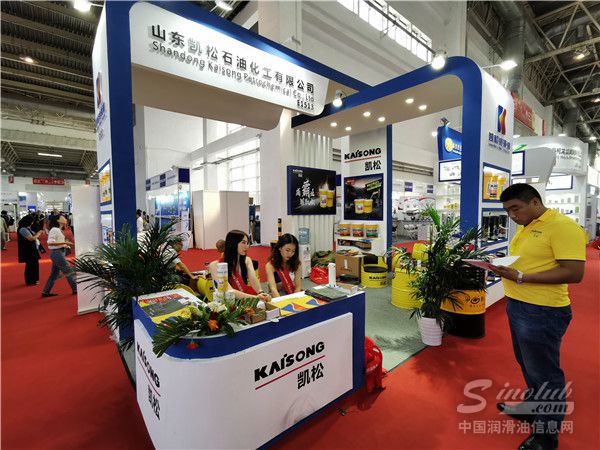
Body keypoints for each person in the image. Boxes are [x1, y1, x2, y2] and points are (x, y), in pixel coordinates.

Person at [491, 184, 586, 450]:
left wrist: (523, 276)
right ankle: (533, 408)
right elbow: (535, 260)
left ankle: (547, 434)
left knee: (544, 372)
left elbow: (574, 273)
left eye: (515, 208)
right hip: (518, 305)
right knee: (527, 365)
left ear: (534, 202)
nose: (512, 215)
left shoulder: (562, 226)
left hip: (543, 310)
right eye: (507, 211)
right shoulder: (528, 226)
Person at [209, 230, 270, 302]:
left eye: (247, 243)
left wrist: (261, 292)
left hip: (246, 299)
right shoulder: (215, 265)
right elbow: (229, 290)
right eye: (243, 243)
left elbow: (253, 279)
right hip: (228, 303)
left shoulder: (247, 260)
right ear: (233, 244)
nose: (247, 246)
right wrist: (256, 298)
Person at [41, 215, 78, 297]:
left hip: (59, 253)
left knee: (54, 274)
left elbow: (56, 242)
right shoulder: (54, 230)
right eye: (63, 218)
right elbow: (50, 243)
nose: (65, 219)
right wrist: (64, 243)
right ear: (58, 220)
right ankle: (76, 289)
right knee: (69, 271)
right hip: (57, 253)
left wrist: (65, 243)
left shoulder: (58, 230)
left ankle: (45, 291)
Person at [17, 215, 43, 285]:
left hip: (31, 249)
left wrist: (37, 233)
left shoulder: (26, 228)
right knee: (31, 265)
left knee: (33, 265)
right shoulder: (23, 229)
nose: (32, 223)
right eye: (32, 222)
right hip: (28, 250)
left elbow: (32, 236)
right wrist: (39, 233)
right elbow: (31, 238)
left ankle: (33, 280)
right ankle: (30, 280)